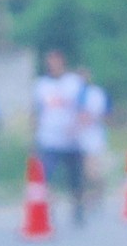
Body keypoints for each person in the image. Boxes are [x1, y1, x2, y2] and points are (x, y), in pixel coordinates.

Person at [30, 48, 88, 227]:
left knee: (75, 178)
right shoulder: (41, 85)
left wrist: (77, 126)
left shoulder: (74, 83)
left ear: (62, 62)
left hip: (71, 139)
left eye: (56, 61)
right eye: (50, 62)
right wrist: (33, 137)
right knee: (46, 177)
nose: (53, 65)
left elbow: (83, 109)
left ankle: (78, 206)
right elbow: (36, 113)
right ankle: (48, 209)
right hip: (49, 138)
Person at [77, 74, 110, 223]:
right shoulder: (72, 93)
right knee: (82, 172)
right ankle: (85, 198)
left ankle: (97, 194)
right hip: (76, 139)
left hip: (93, 138)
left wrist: (90, 118)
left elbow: (105, 114)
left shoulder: (96, 94)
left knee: (92, 171)